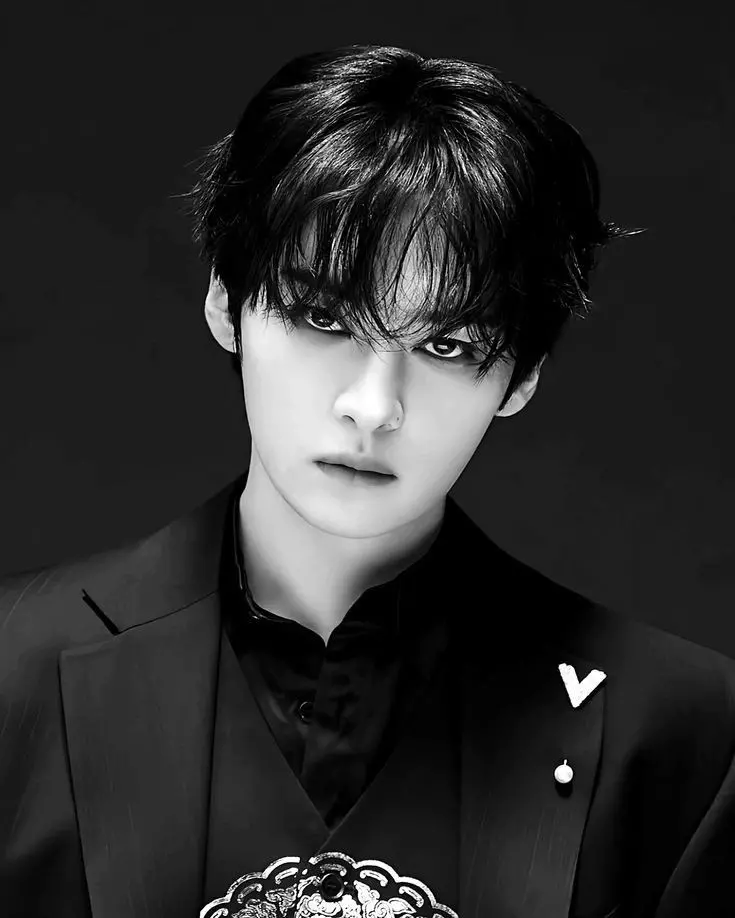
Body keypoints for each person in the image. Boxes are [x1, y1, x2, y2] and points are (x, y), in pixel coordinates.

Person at [1, 44, 733, 918]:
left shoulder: (683, 731)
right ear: (226, 303)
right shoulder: (11, 673)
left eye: (446, 345)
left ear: (522, 377)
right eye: (322, 315)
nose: (372, 406)